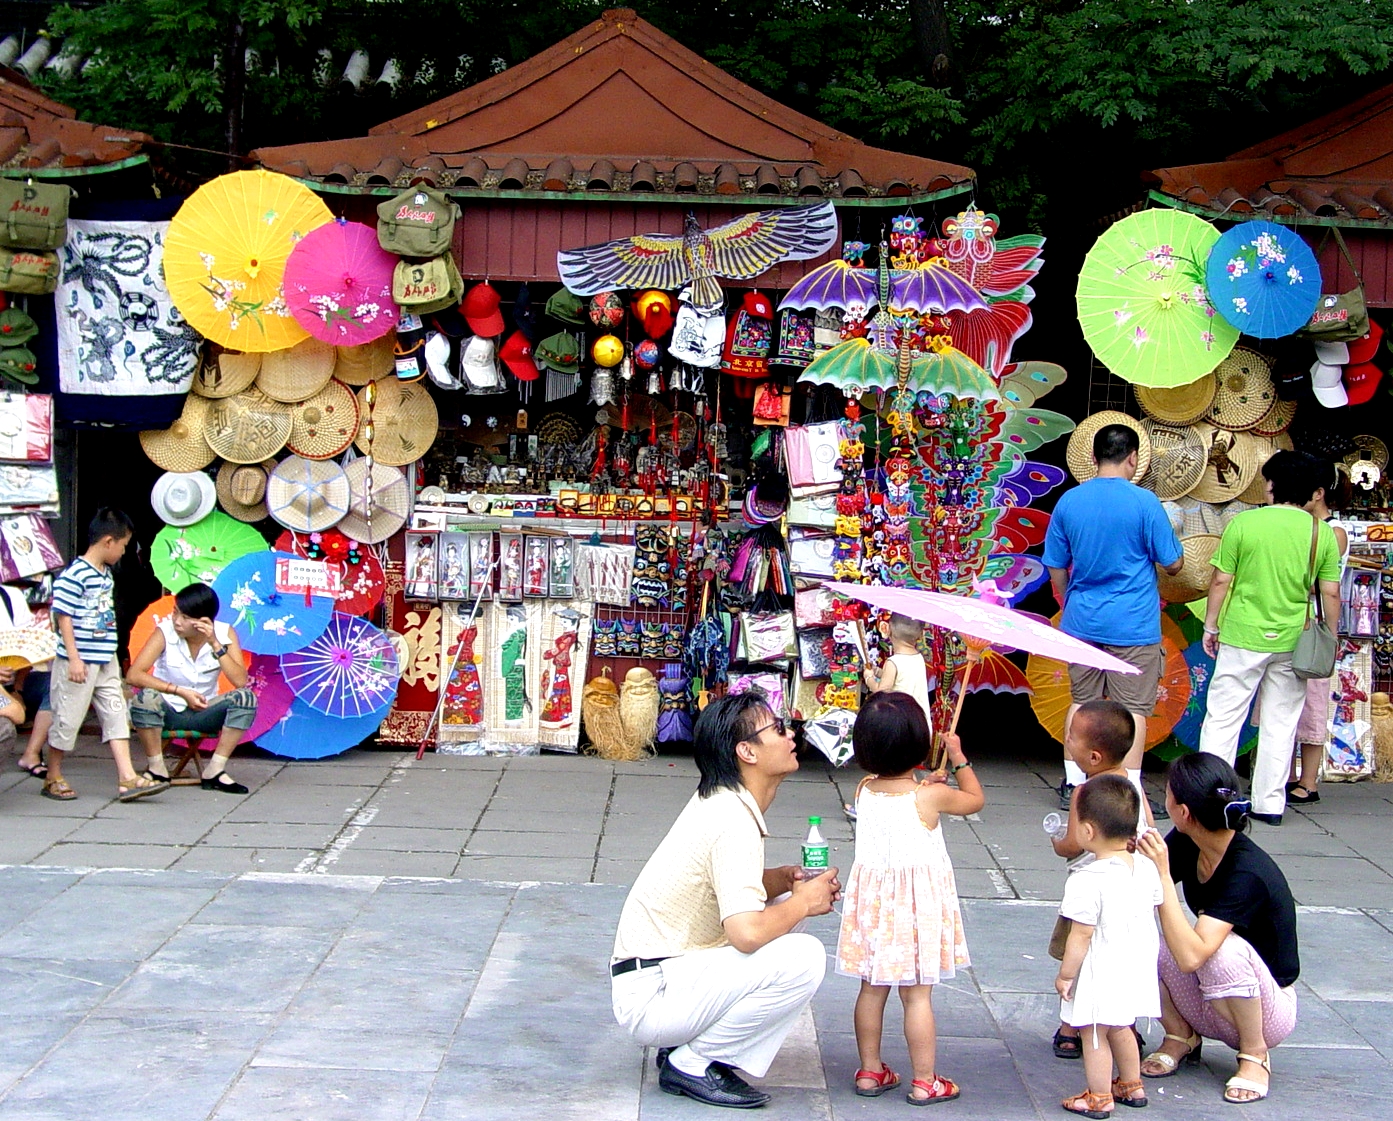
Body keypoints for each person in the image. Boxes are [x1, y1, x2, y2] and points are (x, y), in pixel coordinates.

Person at [610, 693, 840, 1110]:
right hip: (654, 995)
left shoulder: (724, 802)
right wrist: (803, 903)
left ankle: (690, 1043)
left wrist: (784, 883)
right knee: (804, 955)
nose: (792, 734)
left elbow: (717, 889)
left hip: (659, 977)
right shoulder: (732, 819)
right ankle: (692, 1062)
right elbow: (747, 933)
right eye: (779, 728)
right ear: (747, 751)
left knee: (789, 901)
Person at [836, 691, 983, 1105]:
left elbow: (901, 794)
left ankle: (869, 1070)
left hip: (874, 907)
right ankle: (925, 1080)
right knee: (916, 995)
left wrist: (926, 785)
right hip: (913, 911)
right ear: (922, 745)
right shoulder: (927, 797)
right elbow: (974, 800)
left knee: (871, 988)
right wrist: (958, 758)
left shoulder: (864, 789)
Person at [1136, 753, 1298, 1105]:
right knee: (1136, 935)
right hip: (1208, 1000)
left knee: (1222, 950)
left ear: (1183, 812)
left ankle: (1255, 1056)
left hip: (1266, 1013)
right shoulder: (1187, 839)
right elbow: (1137, 893)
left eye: (1167, 793)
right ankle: (1181, 1035)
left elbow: (1193, 956)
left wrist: (1161, 875)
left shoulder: (1247, 871)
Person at [1043, 423, 1183, 810]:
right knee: (1133, 709)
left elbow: (1055, 563)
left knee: (1081, 701)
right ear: (1134, 458)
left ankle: (1073, 784)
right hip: (1134, 623)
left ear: (1093, 458)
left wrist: (1065, 598)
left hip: (1082, 618)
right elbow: (1172, 565)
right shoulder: (1145, 503)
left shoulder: (1070, 501)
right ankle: (1130, 791)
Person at [1199, 450, 1341, 823]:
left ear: (1273, 485)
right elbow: (1329, 593)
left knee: (1224, 718)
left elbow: (1220, 581)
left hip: (1243, 634)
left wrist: (1210, 625)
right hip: (1294, 639)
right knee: (1281, 722)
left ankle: (1212, 797)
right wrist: (1332, 636)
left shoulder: (1245, 525)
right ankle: (1270, 804)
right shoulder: (1320, 532)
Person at [1048, 700, 1154, 1060]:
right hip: (1130, 893)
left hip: (1091, 893)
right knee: (1123, 960)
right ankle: (1127, 1027)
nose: (1067, 741)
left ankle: (1069, 1029)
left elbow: (1073, 844)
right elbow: (1150, 832)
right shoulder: (1135, 790)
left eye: (1071, 737)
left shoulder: (1085, 793)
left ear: (1094, 757)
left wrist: (1056, 842)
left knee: (1077, 956)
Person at [1055, 774, 1163, 1117]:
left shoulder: (1087, 880)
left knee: (1094, 1031)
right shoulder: (1146, 868)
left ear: (1087, 831)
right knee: (1122, 1024)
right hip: (1138, 962)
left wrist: (1066, 974)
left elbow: (1080, 935)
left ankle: (1099, 1095)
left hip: (1103, 966)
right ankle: (1132, 1083)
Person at [45, 508, 168, 802]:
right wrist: (74, 658)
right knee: (68, 718)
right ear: (109, 541)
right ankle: (53, 774)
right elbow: (63, 616)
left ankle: (127, 778)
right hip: (80, 660)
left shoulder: (106, 574)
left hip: (105, 659)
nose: (124, 552)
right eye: (124, 545)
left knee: (115, 714)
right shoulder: (75, 574)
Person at [126, 582, 256, 794]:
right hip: (168, 709)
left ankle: (215, 770)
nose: (177, 621)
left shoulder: (225, 634)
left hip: (205, 710)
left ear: (203, 622)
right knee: (144, 698)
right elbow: (134, 675)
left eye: (185, 618)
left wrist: (215, 644)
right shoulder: (165, 632)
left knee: (246, 698)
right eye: (176, 612)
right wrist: (178, 691)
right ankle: (157, 768)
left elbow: (240, 681)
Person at [1287, 460, 1350, 806]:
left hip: (1313, 623)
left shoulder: (1332, 531)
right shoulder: (1302, 525)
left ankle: (1308, 780)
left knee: (1312, 701)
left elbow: (1324, 584)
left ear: (1319, 493)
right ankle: (1288, 775)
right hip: (1296, 620)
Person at [862, 613, 934, 732]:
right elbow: (901, 677)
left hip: (902, 725)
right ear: (920, 636)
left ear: (888, 630)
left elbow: (882, 691)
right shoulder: (918, 657)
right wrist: (877, 671)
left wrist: (869, 677)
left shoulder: (893, 662)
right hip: (921, 724)